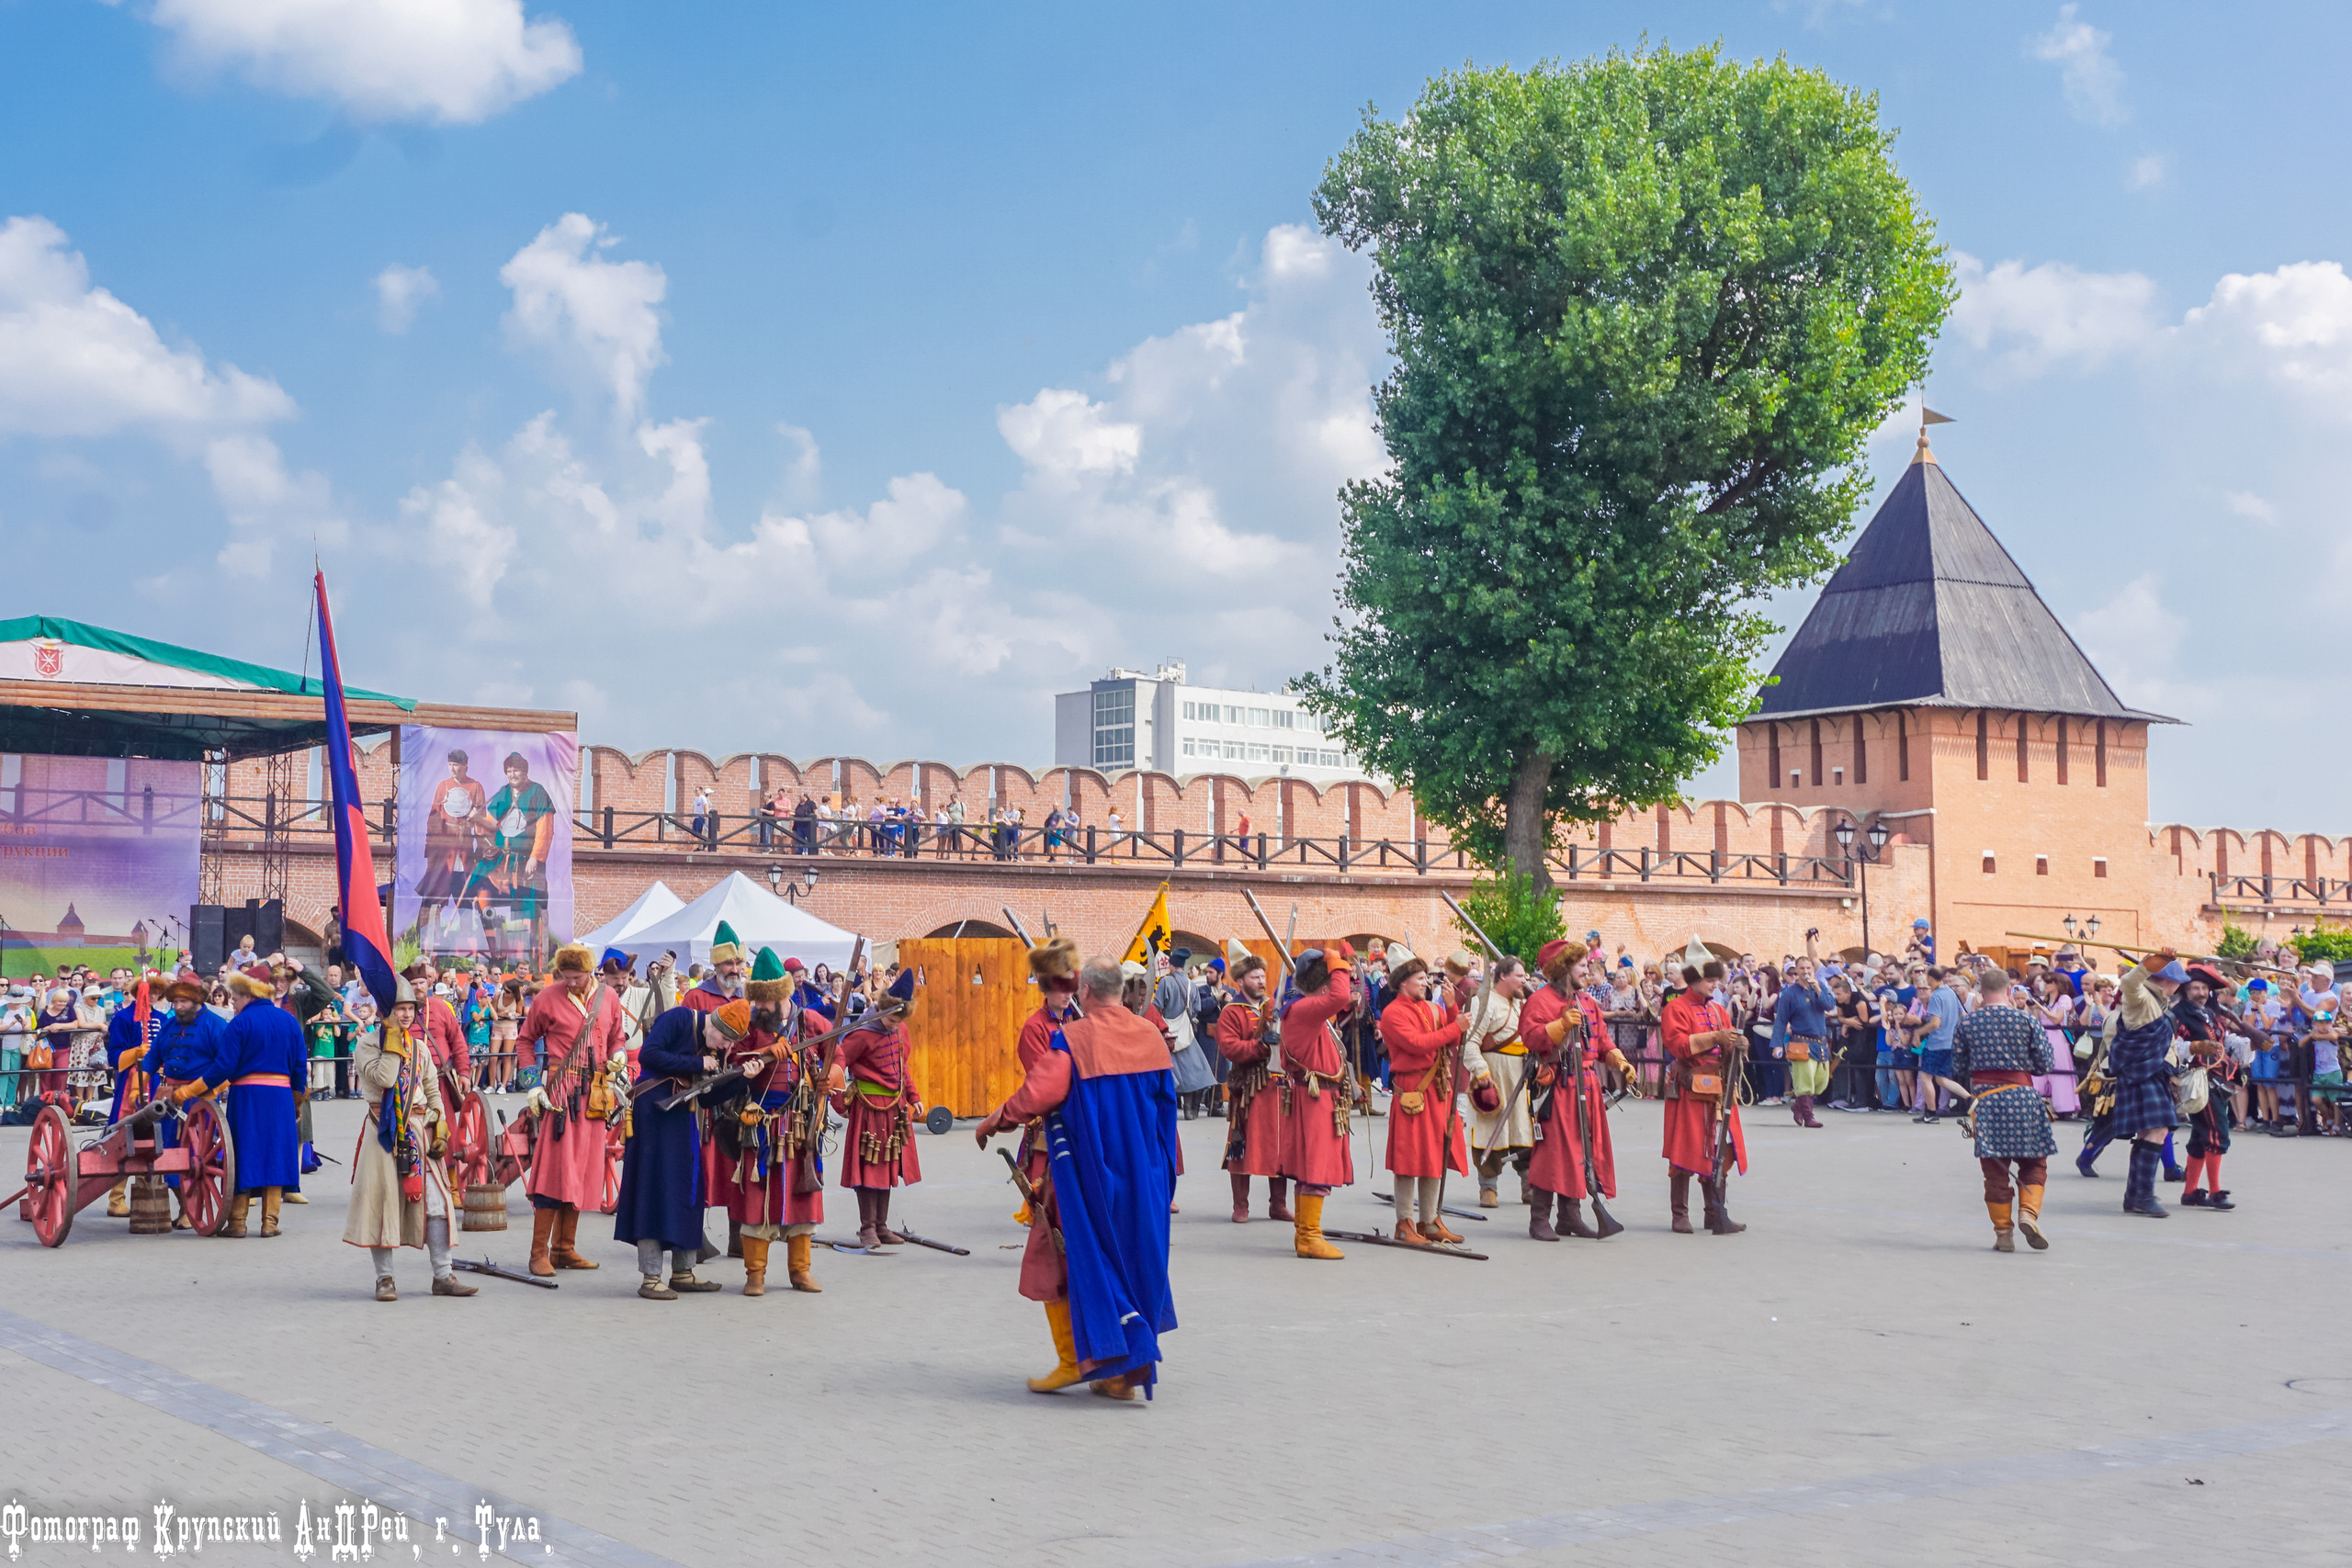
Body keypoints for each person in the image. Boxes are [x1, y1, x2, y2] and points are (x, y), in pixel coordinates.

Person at [974, 954, 1179, 1401]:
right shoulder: (1150, 1035)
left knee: (1053, 1253)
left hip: (1089, 1176)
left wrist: (995, 1120)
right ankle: (1119, 1374)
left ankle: (1075, 1362)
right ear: (1120, 991)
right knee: (1133, 1261)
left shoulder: (1074, 1038)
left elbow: (1039, 1093)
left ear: (1085, 991)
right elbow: (1168, 1112)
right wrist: (1164, 1177)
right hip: (1145, 1176)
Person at [344, 977, 476, 1302]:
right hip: (382, 1130)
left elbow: (432, 1089)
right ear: (385, 1013)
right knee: (382, 1204)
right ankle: (385, 1280)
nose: (406, 1015)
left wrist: (440, 1124)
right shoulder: (367, 1045)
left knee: (437, 1203)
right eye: (399, 1009)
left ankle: (443, 1276)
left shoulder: (419, 1048)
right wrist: (392, 1043)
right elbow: (385, 1078)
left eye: (410, 1009)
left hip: (418, 1129)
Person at [707, 949, 828, 1295]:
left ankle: (800, 1271)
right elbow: (732, 1062)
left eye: (765, 1001)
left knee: (802, 1196)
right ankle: (755, 1274)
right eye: (757, 1001)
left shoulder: (809, 1020)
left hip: (800, 1122)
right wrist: (757, 1059)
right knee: (756, 1197)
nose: (759, 1007)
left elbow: (837, 1049)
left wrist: (831, 1074)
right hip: (759, 1123)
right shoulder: (750, 1025)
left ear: (782, 995)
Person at [616, 998, 741, 1298]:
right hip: (652, 1114)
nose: (725, 1047)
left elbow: (707, 1098)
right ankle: (650, 1278)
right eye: (725, 1039)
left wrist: (741, 1079)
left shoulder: (712, 1046)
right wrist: (697, 1063)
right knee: (653, 1191)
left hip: (682, 1117)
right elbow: (649, 1054)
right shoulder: (679, 1018)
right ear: (714, 1025)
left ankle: (683, 1272)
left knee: (689, 1190)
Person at [515, 943, 627, 1276]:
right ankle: (538, 1253)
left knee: (579, 1171)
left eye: (577, 977)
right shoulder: (547, 997)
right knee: (554, 1171)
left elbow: (617, 1036)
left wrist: (618, 1054)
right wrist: (533, 1084)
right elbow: (525, 1041)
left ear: (591, 972)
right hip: (560, 1093)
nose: (571, 982)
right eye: (566, 976)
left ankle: (564, 1249)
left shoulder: (609, 997)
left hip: (595, 1095)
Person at [1521, 942, 1639, 1241]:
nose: (1587, 970)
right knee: (1552, 1153)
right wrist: (1560, 1025)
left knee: (1582, 1152)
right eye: (1581, 965)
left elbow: (1602, 1044)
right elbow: (1531, 1038)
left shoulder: (1588, 1002)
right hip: (1558, 1086)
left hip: (1588, 1086)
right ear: (1564, 968)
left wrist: (1621, 1063)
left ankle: (1569, 1217)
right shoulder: (1540, 1000)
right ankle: (1539, 1220)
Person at [1950, 967, 2055, 1252]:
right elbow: (2045, 1063)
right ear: (2009, 991)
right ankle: (2028, 1213)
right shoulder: (2026, 1020)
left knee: (1995, 1170)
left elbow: (1958, 1066)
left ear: (1980, 993)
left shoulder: (1967, 1023)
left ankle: (2003, 1234)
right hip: (2023, 1098)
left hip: (1986, 1102)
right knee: (2034, 1162)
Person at [1376, 946, 1467, 1245]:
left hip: (1436, 1089)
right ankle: (1404, 1223)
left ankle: (1429, 1221)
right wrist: (1455, 1025)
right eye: (1419, 978)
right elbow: (1418, 1044)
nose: (1425, 983)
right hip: (1412, 1092)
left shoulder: (1431, 1008)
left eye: (1425, 977)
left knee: (1433, 1156)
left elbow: (1451, 1033)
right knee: (1408, 1159)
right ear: (1403, 982)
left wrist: (1451, 1008)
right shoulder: (1392, 1013)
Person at [213, 962, 309, 1238]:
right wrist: (296, 1101)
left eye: (236, 998)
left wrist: (199, 1087)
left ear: (248, 995)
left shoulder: (240, 1023)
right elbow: (300, 1067)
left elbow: (224, 1066)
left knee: (243, 1154)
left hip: (247, 1098)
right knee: (276, 1154)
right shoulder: (288, 1021)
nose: (233, 1004)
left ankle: (238, 1223)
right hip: (280, 1097)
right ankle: (270, 1223)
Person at [1277, 942, 1358, 1259]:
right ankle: (1310, 1237)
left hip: (1317, 1094)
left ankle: (1305, 1235)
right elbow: (1340, 996)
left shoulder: (1302, 1010)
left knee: (1310, 1168)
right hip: (1316, 1098)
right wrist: (1336, 960)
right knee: (1316, 1168)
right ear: (1323, 986)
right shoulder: (1304, 1010)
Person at [834, 968, 924, 1248]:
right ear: (881, 1010)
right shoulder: (861, 1034)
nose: (894, 1026)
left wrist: (914, 1096)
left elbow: (902, 1068)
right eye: (890, 1020)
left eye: (899, 1021)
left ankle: (882, 1226)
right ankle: (867, 1228)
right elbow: (837, 1066)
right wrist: (839, 1103)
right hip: (868, 1108)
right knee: (868, 1166)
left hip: (895, 1109)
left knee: (887, 1166)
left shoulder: (900, 1030)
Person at [1659, 960, 1747, 1235]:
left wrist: (1738, 1045)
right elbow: (1678, 1045)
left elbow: (1728, 1045)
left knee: (1719, 1149)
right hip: (1690, 1087)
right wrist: (1716, 1037)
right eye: (1710, 980)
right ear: (1695, 979)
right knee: (1684, 1149)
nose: (1715, 985)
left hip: (1719, 1089)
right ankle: (1680, 1215)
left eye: (1716, 980)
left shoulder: (1719, 1010)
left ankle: (1716, 1213)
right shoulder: (1675, 1008)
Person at [1214, 952, 1293, 1224]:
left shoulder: (1274, 1006)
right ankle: (1241, 1206)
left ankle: (1278, 1205)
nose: (1260, 981)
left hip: (1277, 1086)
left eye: (1262, 976)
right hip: (1247, 1087)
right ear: (1240, 981)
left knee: (1280, 1146)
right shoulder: (1231, 1012)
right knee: (1240, 1145)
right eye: (1254, 977)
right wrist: (1260, 1044)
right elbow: (1230, 1048)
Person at [2109, 951, 2188, 1217]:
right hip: (2141, 1073)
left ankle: (2135, 1197)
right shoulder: (2141, 996)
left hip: (2153, 1073)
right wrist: (2148, 965)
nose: (2179, 987)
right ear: (2169, 981)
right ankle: (2141, 1196)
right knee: (2157, 1131)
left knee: (2148, 1133)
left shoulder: (2159, 1002)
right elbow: (2128, 982)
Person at [1457, 955, 1531, 1207]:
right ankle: (1488, 1188)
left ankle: (1529, 1185)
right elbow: (1470, 1043)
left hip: (1521, 1076)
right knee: (1489, 1131)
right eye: (1519, 976)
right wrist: (1481, 1072)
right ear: (1503, 976)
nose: (1524, 980)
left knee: (1524, 1130)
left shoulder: (1523, 1003)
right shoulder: (1483, 1002)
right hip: (1493, 1076)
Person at [99, 974, 164, 1217]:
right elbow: (114, 1057)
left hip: (156, 1081)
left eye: (157, 992)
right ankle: (116, 1199)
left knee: (154, 1135)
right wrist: (136, 1052)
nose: (153, 996)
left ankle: (147, 1192)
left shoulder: (162, 1019)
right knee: (124, 1133)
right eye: (150, 992)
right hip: (130, 1081)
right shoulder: (123, 1018)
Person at [2175, 965, 2237, 1210]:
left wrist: (2249, 1042)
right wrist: (2195, 1047)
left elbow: (2224, 1039)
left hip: (2218, 1077)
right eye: (2195, 988)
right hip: (2198, 1078)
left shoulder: (2213, 1013)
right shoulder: (2179, 1015)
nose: (2201, 993)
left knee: (2201, 1134)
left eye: (2204, 988)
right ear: (2186, 990)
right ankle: (2215, 1192)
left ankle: (2190, 1192)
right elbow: (2173, 1046)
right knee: (2217, 1132)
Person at [1771, 938, 1832, 1127]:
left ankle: (1798, 1106)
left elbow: (1829, 1005)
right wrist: (1777, 1044)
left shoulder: (1820, 988)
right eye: (1802, 968)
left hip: (1820, 1043)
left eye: (1809, 968)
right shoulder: (1789, 994)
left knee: (1820, 1082)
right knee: (1804, 1082)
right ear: (1796, 971)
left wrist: (1818, 989)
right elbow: (1781, 1021)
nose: (1806, 971)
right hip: (1801, 1042)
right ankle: (1809, 1117)